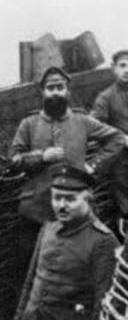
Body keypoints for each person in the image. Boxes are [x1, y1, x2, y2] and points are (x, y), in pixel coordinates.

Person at [11, 164, 119, 320]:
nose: (62, 205)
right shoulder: (48, 228)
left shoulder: (103, 242)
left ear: (88, 198)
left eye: (70, 199)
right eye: (57, 197)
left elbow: (103, 302)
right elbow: (31, 281)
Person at [9, 65, 122, 277]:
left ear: (67, 91)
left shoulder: (82, 120)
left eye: (60, 87)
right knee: (31, 264)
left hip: (75, 205)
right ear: (42, 92)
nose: (56, 93)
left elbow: (116, 139)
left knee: (81, 261)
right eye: (50, 88)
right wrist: (41, 157)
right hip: (37, 209)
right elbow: (14, 159)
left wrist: (92, 166)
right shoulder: (29, 123)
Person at [91, 49, 128, 225]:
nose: (127, 70)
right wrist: (121, 137)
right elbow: (94, 126)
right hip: (122, 156)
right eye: (122, 65)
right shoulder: (105, 97)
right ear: (114, 68)